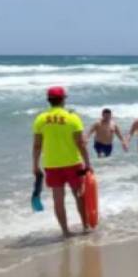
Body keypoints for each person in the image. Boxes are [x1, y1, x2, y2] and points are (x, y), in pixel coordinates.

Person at [32, 86, 92, 237]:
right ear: (63, 99)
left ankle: (65, 231)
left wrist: (35, 165)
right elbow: (81, 143)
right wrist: (88, 163)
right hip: (73, 163)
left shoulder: (40, 119)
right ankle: (85, 227)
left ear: (49, 101)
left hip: (52, 165)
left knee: (58, 199)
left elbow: (37, 145)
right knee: (79, 195)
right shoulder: (73, 118)